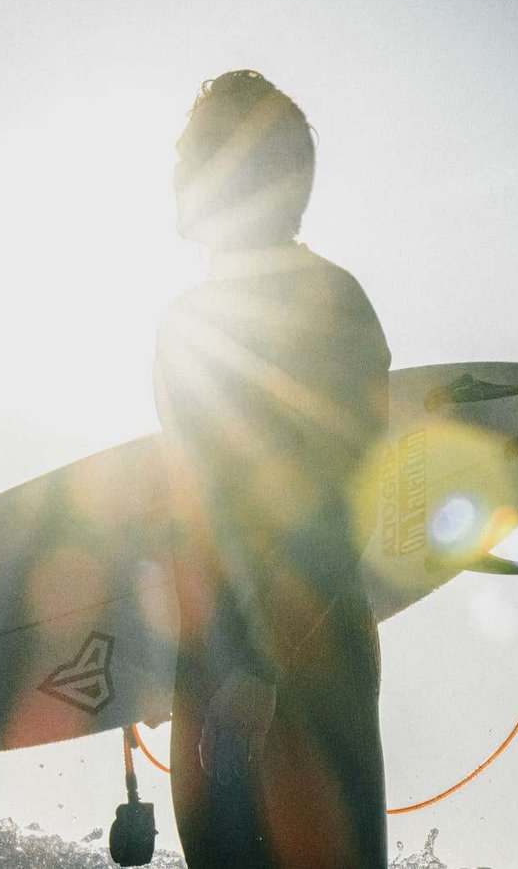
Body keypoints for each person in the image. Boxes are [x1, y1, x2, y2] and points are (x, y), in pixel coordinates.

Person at [153, 70, 391, 868]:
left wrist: (258, 672)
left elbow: (338, 498)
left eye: (192, 154)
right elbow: (195, 514)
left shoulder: (326, 301)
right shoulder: (185, 324)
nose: (176, 170)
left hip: (298, 685)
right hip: (217, 691)